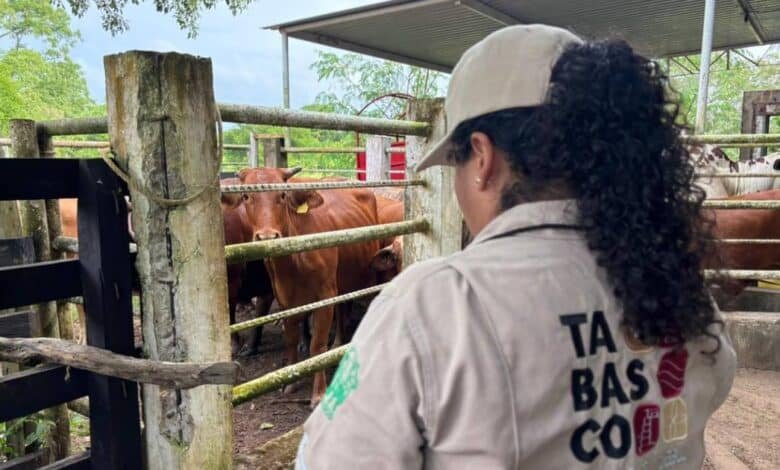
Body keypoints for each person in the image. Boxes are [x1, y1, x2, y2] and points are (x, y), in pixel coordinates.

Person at [296, 24, 736, 469]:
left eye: (455, 164)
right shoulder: (680, 287)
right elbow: (716, 381)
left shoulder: (432, 305)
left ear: (482, 158)